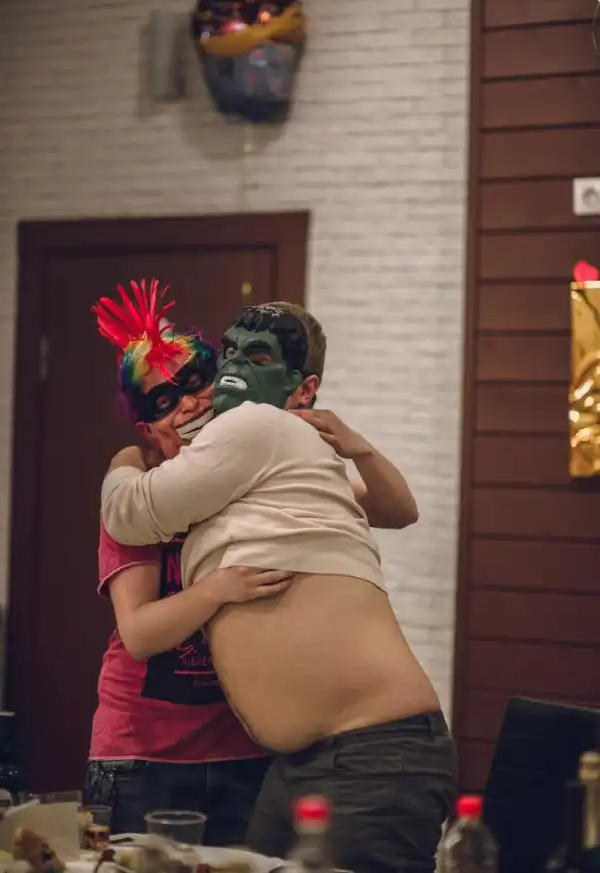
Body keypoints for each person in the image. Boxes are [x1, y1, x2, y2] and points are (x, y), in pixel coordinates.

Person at [101, 293, 456, 873]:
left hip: (364, 756)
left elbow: (127, 511)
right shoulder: (255, 466)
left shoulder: (257, 428)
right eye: (231, 352)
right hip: (297, 762)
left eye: (258, 357)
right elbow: (397, 510)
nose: (229, 372)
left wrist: (121, 461)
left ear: (303, 388)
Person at [86, 280, 291, 841]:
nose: (190, 404)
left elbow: (393, 508)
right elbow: (139, 634)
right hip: (144, 756)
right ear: (148, 428)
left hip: (247, 748)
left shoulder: (254, 480)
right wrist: (220, 588)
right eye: (165, 401)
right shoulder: (137, 499)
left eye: (198, 382)